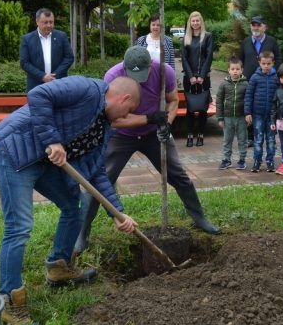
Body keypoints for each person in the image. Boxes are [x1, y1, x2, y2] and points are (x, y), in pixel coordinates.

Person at [0, 75, 141, 325]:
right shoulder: (87, 89)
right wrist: (52, 140)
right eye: (129, 110)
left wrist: (118, 213)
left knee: (73, 207)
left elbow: (96, 172)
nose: (126, 117)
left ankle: (59, 267)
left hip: (44, 162)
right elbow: (38, 95)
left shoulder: (103, 128)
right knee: (19, 226)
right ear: (123, 98)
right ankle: (8, 299)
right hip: (14, 152)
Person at [75, 46, 221, 255]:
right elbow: (114, 120)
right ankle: (82, 233)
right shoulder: (113, 76)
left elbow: (172, 101)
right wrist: (149, 118)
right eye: (135, 75)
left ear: (150, 66)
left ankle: (199, 217)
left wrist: (167, 124)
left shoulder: (164, 72)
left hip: (154, 134)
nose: (140, 79)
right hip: (122, 136)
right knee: (98, 182)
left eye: (143, 74)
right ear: (125, 67)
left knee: (178, 175)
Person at [20, 8, 75, 92]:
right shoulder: (27, 39)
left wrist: (54, 76)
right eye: (45, 22)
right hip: (36, 86)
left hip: (59, 84)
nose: (49, 25)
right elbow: (24, 62)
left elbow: (69, 58)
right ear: (37, 22)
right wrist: (42, 76)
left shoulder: (61, 36)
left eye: (51, 22)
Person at [181, 11, 214, 147]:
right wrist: (191, 76)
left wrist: (201, 76)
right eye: (193, 21)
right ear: (190, 22)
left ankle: (200, 135)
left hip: (203, 78)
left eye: (197, 21)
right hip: (188, 78)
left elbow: (209, 56)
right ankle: (189, 135)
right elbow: (183, 58)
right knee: (189, 108)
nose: (195, 23)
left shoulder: (207, 37)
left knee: (202, 108)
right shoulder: (185, 38)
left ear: (201, 22)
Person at [245, 50, 278, 173]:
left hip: (272, 116)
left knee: (271, 140)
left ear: (273, 63)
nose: (266, 66)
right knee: (258, 139)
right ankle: (257, 161)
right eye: (263, 63)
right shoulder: (255, 77)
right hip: (257, 114)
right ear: (259, 63)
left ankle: (270, 161)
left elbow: (279, 96)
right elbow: (249, 95)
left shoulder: (276, 78)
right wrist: (247, 112)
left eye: (268, 64)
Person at [216, 57, 248, 170]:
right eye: (233, 69)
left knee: (242, 140)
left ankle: (242, 160)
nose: (235, 71)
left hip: (241, 117)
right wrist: (220, 118)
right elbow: (219, 100)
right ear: (228, 70)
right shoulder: (224, 84)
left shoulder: (246, 84)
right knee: (227, 140)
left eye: (237, 69)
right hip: (227, 117)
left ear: (241, 70)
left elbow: (249, 100)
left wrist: (248, 115)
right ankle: (226, 160)